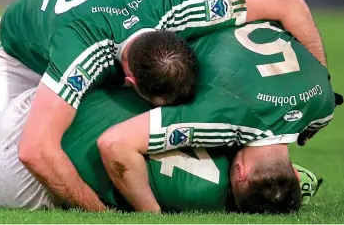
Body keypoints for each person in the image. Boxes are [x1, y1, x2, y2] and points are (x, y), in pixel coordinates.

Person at [0, 0, 327, 209]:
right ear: (130, 82)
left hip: (102, 34)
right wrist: (102, 214)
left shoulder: (182, 7)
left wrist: (316, 78)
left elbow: (288, 1)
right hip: (20, 53)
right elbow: (35, 152)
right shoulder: (82, 53)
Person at [96, 21, 340, 213]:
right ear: (240, 174)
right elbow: (115, 143)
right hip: (140, 34)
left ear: (295, 173)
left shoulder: (324, 109)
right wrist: (151, 214)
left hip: (245, 19)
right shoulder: (219, 122)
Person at [0, 88, 322, 213]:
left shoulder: (224, 117)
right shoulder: (207, 197)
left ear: (241, 173)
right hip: (17, 181)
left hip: (31, 111)